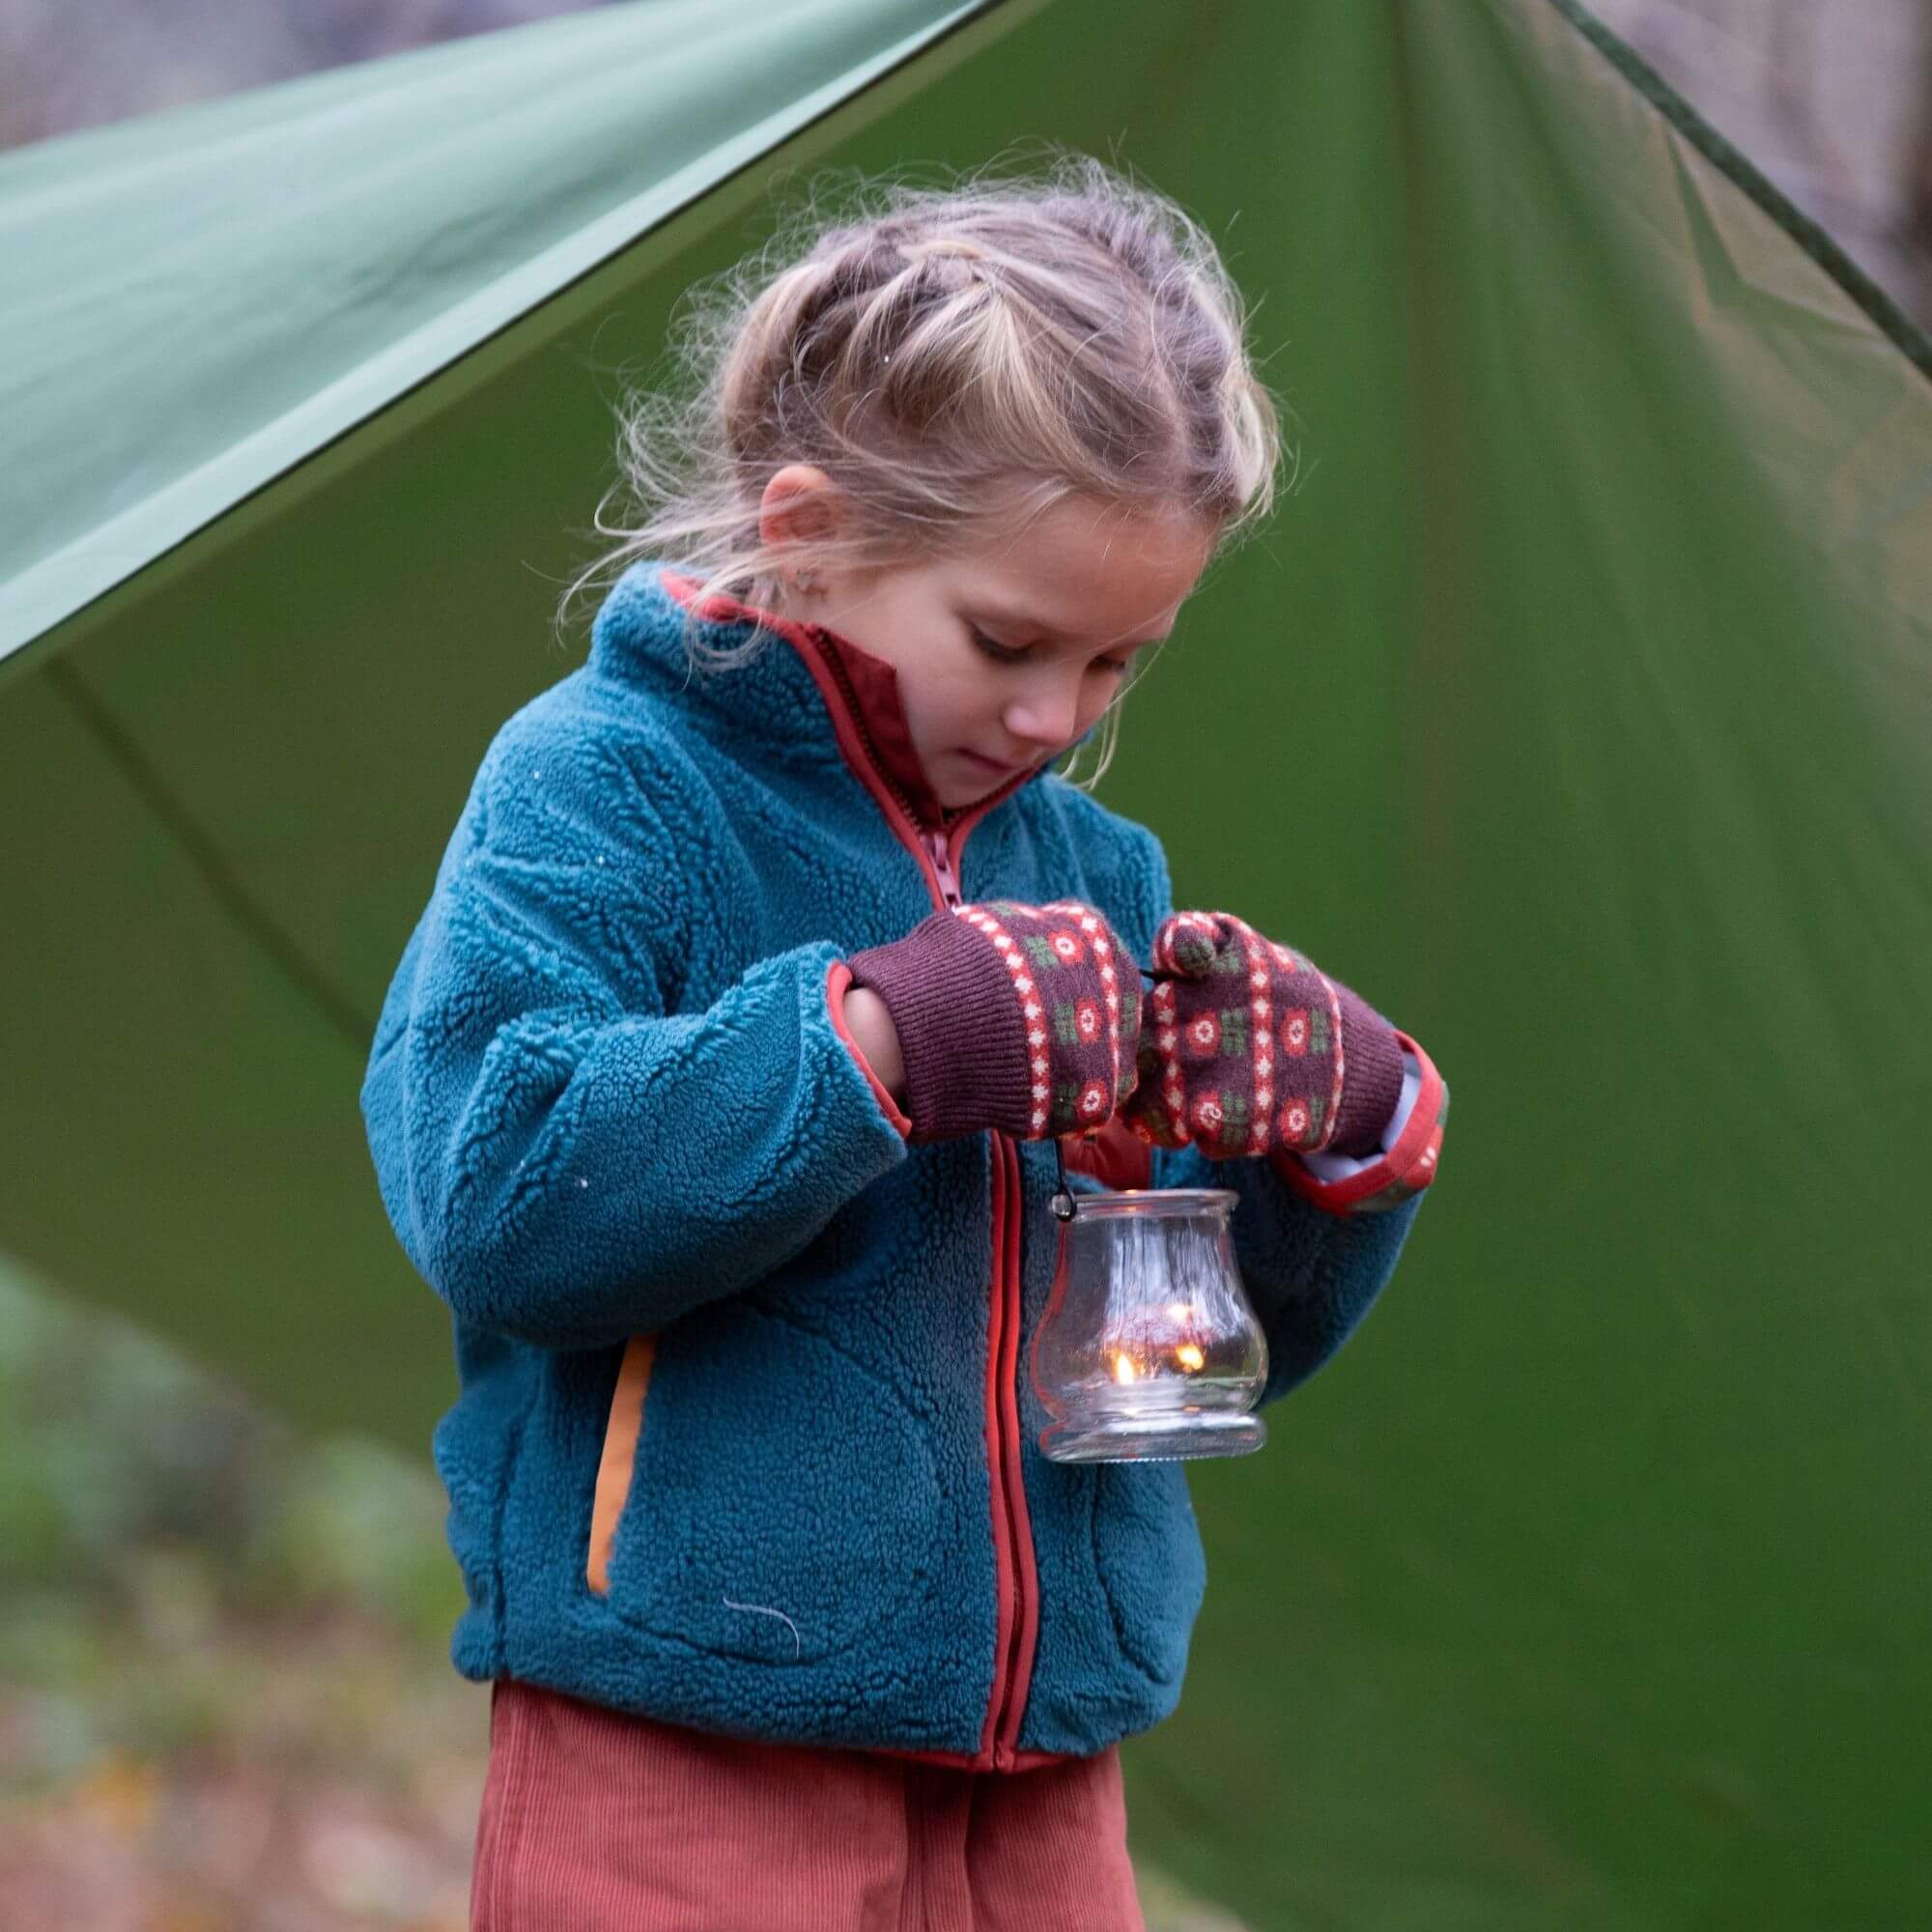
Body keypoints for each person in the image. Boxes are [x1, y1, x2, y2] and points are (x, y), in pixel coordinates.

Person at [359, 155, 1448, 1931]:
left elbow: (1180, 1364)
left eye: (1117, 666)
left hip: (1042, 1769)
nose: (1053, 719)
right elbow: (494, 1185)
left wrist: (1331, 1139)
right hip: (691, 1737)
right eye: (1010, 640)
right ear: (807, 531)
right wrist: (868, 1040)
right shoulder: (607, 785)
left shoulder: (1091, 872)